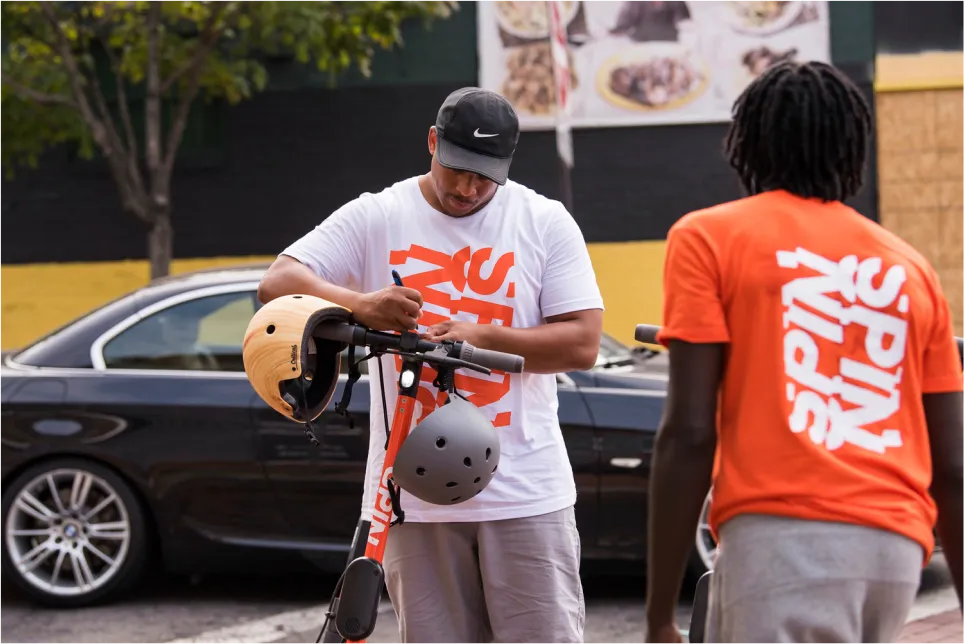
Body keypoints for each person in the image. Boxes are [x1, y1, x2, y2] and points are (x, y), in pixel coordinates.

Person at [258, 86, 604, 643]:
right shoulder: (378, 214)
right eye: (457, 169)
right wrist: (361, 303)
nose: (468, 189)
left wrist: (480, 338)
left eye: (485, 177)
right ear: (431, 142)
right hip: (411, 499)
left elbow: (583, 343)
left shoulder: (544, 221)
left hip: (526, 491)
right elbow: (277, 281)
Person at [643, 60, 964, 644]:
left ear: (748, 146)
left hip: (782, 539)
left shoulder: (708, 237)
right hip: (895, 550)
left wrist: (659, 615)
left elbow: (688, 432)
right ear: (852, 149)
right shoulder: (910, 268)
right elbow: (955, 467)